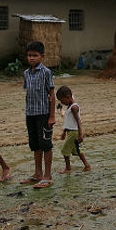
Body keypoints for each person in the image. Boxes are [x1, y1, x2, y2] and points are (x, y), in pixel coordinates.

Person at [20, 41, 56, 189]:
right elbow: (28, 93)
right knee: (35, 144)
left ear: (42, 56)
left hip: (44, 114)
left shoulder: (46, 72)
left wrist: (52, 116)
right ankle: (37, 173)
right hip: (30, 114)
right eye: (29, 55)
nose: (32, 58)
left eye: (35, 55)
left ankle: (48, 176)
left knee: (45, 144)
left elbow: (52, 95)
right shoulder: (26, 73)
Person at [55, 86, 91, 173]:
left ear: (67, 97)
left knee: (64, 150)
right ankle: (87, 165)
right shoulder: (70, 107)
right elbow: (68, 121)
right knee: (77, 150)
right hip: (71, 131)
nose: (61, 103)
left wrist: (80, 134)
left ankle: (68, 168)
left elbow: (78, 121)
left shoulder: (74, 107)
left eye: (62, 100)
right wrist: (64, 132)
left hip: (74, 132)